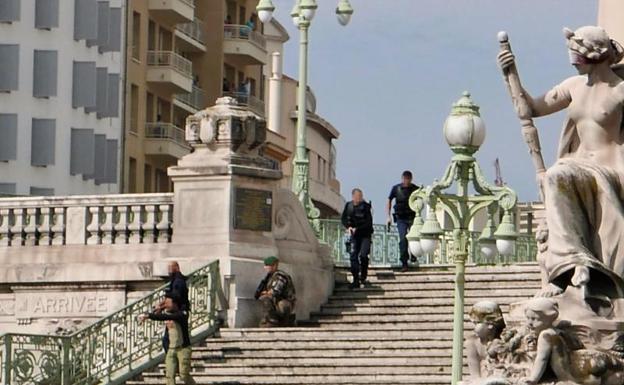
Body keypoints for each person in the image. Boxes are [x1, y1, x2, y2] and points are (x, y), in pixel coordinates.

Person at [498, 26, 624, 301]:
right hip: (578, 167)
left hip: (612, 170)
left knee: (559, 174)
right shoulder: (574, 86)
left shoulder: (620, 91)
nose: (573, 59)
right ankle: (573, 264)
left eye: (576, 53)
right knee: (557, 174)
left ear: (597, 53)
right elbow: (530, 109)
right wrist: (511, 75)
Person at [139, 292, 197, 385]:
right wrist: (157, 310)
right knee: (169, 375)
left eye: (168, 302)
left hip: (183, 348)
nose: (165, 305)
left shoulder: (183, 314)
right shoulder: (168, 312)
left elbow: (168, 316)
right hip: (171, 349)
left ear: (175, 303)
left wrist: (149, 315)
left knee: (183, 375)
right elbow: (163, 315)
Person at [386, 170, 420, 272]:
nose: (406, 181)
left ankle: (414, 254)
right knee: (403, 239)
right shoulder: (396, 188)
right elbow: (389, 200)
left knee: (414, 237)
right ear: (402, 179)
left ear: (411, 179)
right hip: (401, 218)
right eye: (405, 179)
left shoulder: (415, 189)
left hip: (412, 216)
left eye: (408, 180)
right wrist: (388, 216)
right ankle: (404, 262)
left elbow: (421, 200)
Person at [341, 188, 373, 289]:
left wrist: (357, 229)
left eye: (360, 196)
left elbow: (369, 223)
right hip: (354, 236)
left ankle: (363, 275)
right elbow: (344, 218)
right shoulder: (348, 206)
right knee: (353, 256)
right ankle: (355, 279)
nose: (359, 198)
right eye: (357, 196)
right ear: (353, 196)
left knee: (363, 255)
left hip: (365, 235)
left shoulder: (366, 207)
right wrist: (348, 227)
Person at [466, 301, 506, 379]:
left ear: (490, 325)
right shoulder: (472, 343)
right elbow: (475, 374)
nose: (474, 328)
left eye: (477, 323)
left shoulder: (502, 340)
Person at [254, 256, 296, 327]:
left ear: (275, 265)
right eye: (265, 265)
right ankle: (270, 319)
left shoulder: (280, 276)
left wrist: (266, 293)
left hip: (285, 302)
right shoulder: (269, 277)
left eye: (268, 265)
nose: (265, 267)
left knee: (265, 298)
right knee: (263, 298)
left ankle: (273, 321)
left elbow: (275, 291)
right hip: (276, 301)